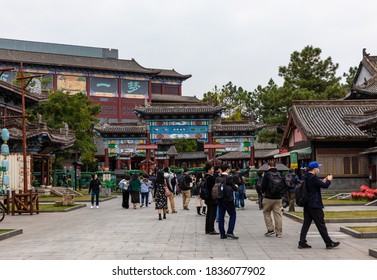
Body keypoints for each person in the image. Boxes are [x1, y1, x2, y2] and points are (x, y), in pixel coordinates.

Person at [298, 161, 340, 249]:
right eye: (318, 167)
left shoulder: (306, 176)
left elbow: (317, 185)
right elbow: (325, 186)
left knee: (306, 223)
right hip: (315, 204)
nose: (318, 169)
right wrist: (329, 180)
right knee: (321, 224)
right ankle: (328, 243)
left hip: (307, 204)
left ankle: (302, 242)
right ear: (314, 169)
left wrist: (323, 181)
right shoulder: (312, 177)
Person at [261, 162, 287, 238]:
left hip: (268, 197)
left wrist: (263, 192)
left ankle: (270, 229)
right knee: (278, 215)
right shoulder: (280, 174)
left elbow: (263, 186)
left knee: (266, 212)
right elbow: (284, 186)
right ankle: (279, 232)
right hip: (278, 198)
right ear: (276, 166)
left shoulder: (267, 174)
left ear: (268, 166)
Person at [217, 164, 239, 239]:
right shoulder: (228, 178)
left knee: (221, 216)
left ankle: (222, 233)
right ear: (227, 169)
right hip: (228, 199)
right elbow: (235, 188)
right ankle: (230, 231)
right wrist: (236, 186)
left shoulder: (218, 178)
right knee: (233, 214)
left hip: (220, 199)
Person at [204, 163, 219, 235]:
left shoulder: (206, 177)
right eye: (212, 169)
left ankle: (207, 229)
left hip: (207, 198)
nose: (213, 170)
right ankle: (211, 229)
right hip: (212, 198)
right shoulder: (210, 178)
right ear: (209, 170)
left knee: (209, 214)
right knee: (212, 214)